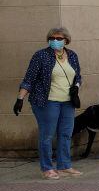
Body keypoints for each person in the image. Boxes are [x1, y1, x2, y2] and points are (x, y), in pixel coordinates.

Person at [15, 27, 83, 179]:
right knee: (47, 135)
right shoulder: (41, 55)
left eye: (59, 38)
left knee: (65, 134)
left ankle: (64, 165)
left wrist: (76, 88)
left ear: (66, 40)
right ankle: (47, 168)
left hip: (67, 102)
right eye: (52, 38)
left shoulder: (72, 55)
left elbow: (78, 76)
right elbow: (29, 78)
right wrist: (20, 98)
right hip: (47, 101)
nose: (55, 41)